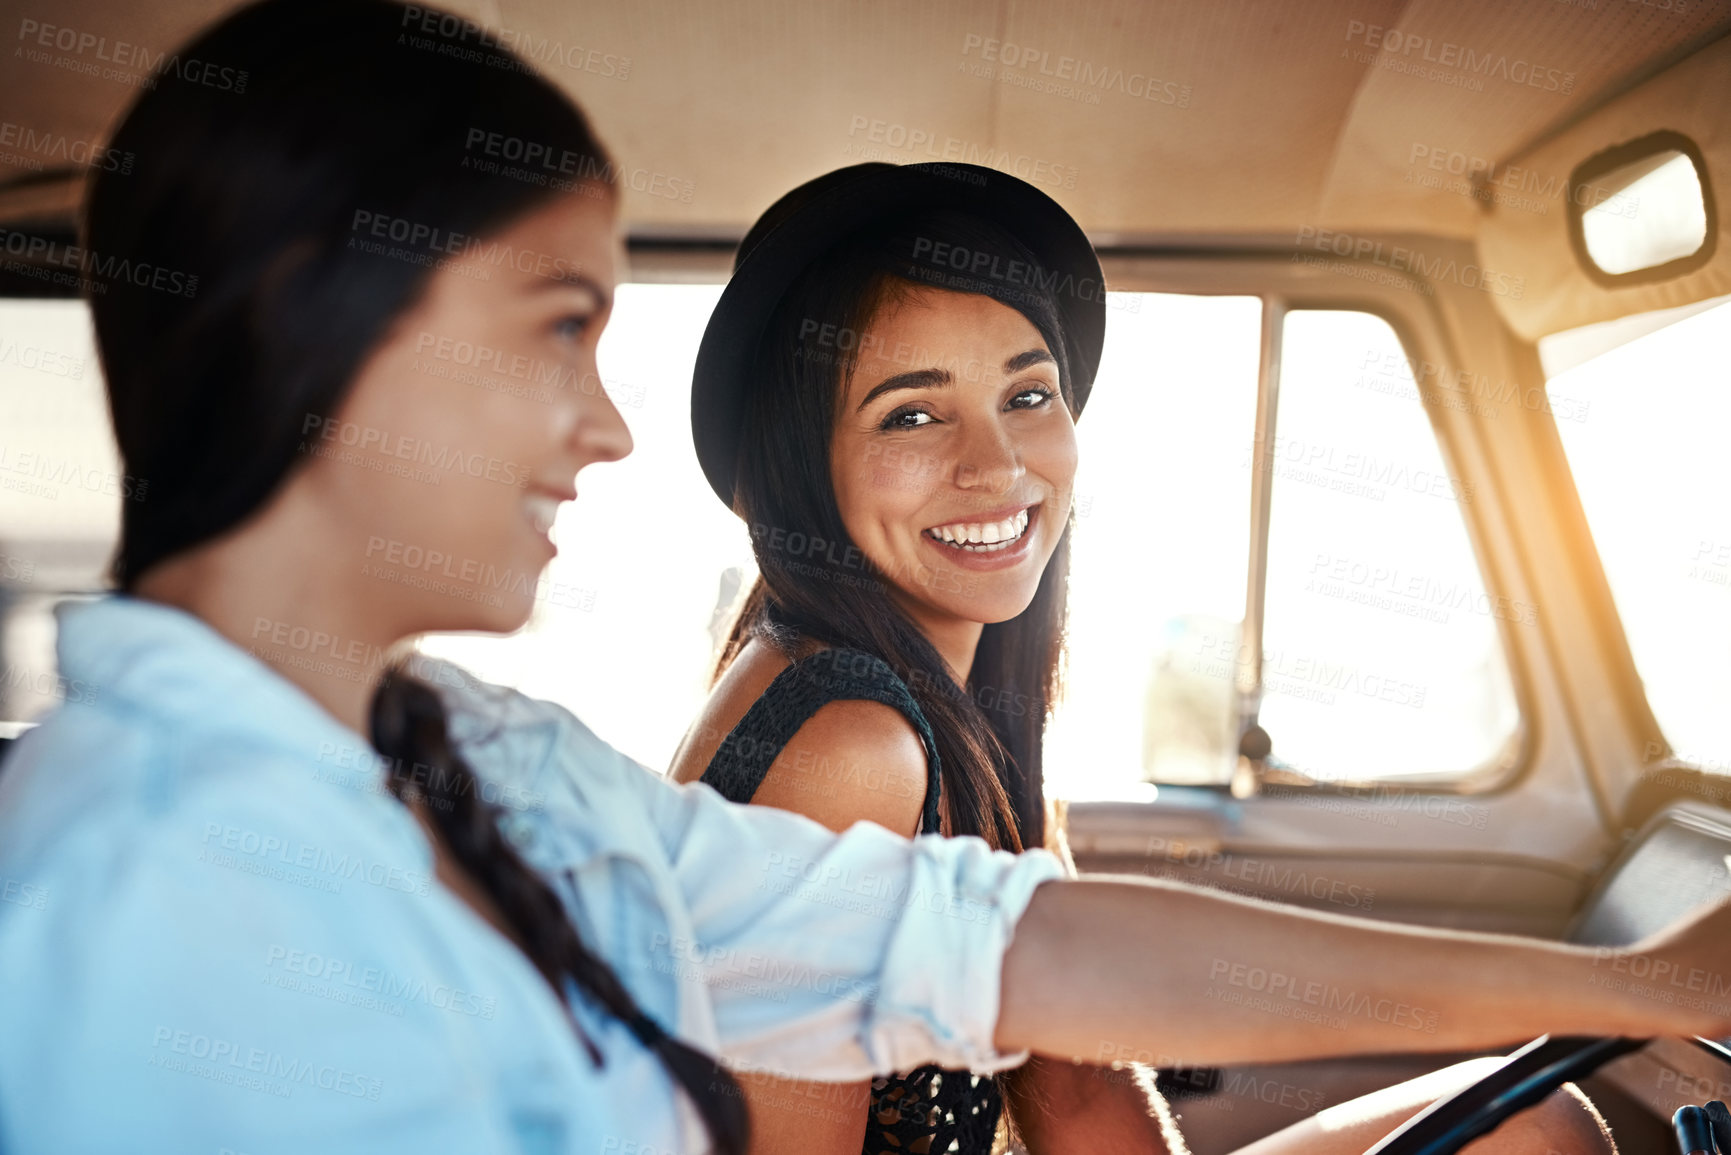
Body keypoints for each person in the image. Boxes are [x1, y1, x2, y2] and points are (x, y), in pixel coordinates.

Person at [1, 3, 1729, 1154]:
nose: (605, 429)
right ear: (334, 348)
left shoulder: (481, 757)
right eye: (556, 331)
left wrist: (1641, 990)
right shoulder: (128, 898)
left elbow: (1025, 952)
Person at [660, 165, 1622, 1155]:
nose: (998, 466)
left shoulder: (951, 708)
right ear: (798, 465)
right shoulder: (847, 745)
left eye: (1028, 395)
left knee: (1536, 1126)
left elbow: (1077, 1093)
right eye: (912, 413)